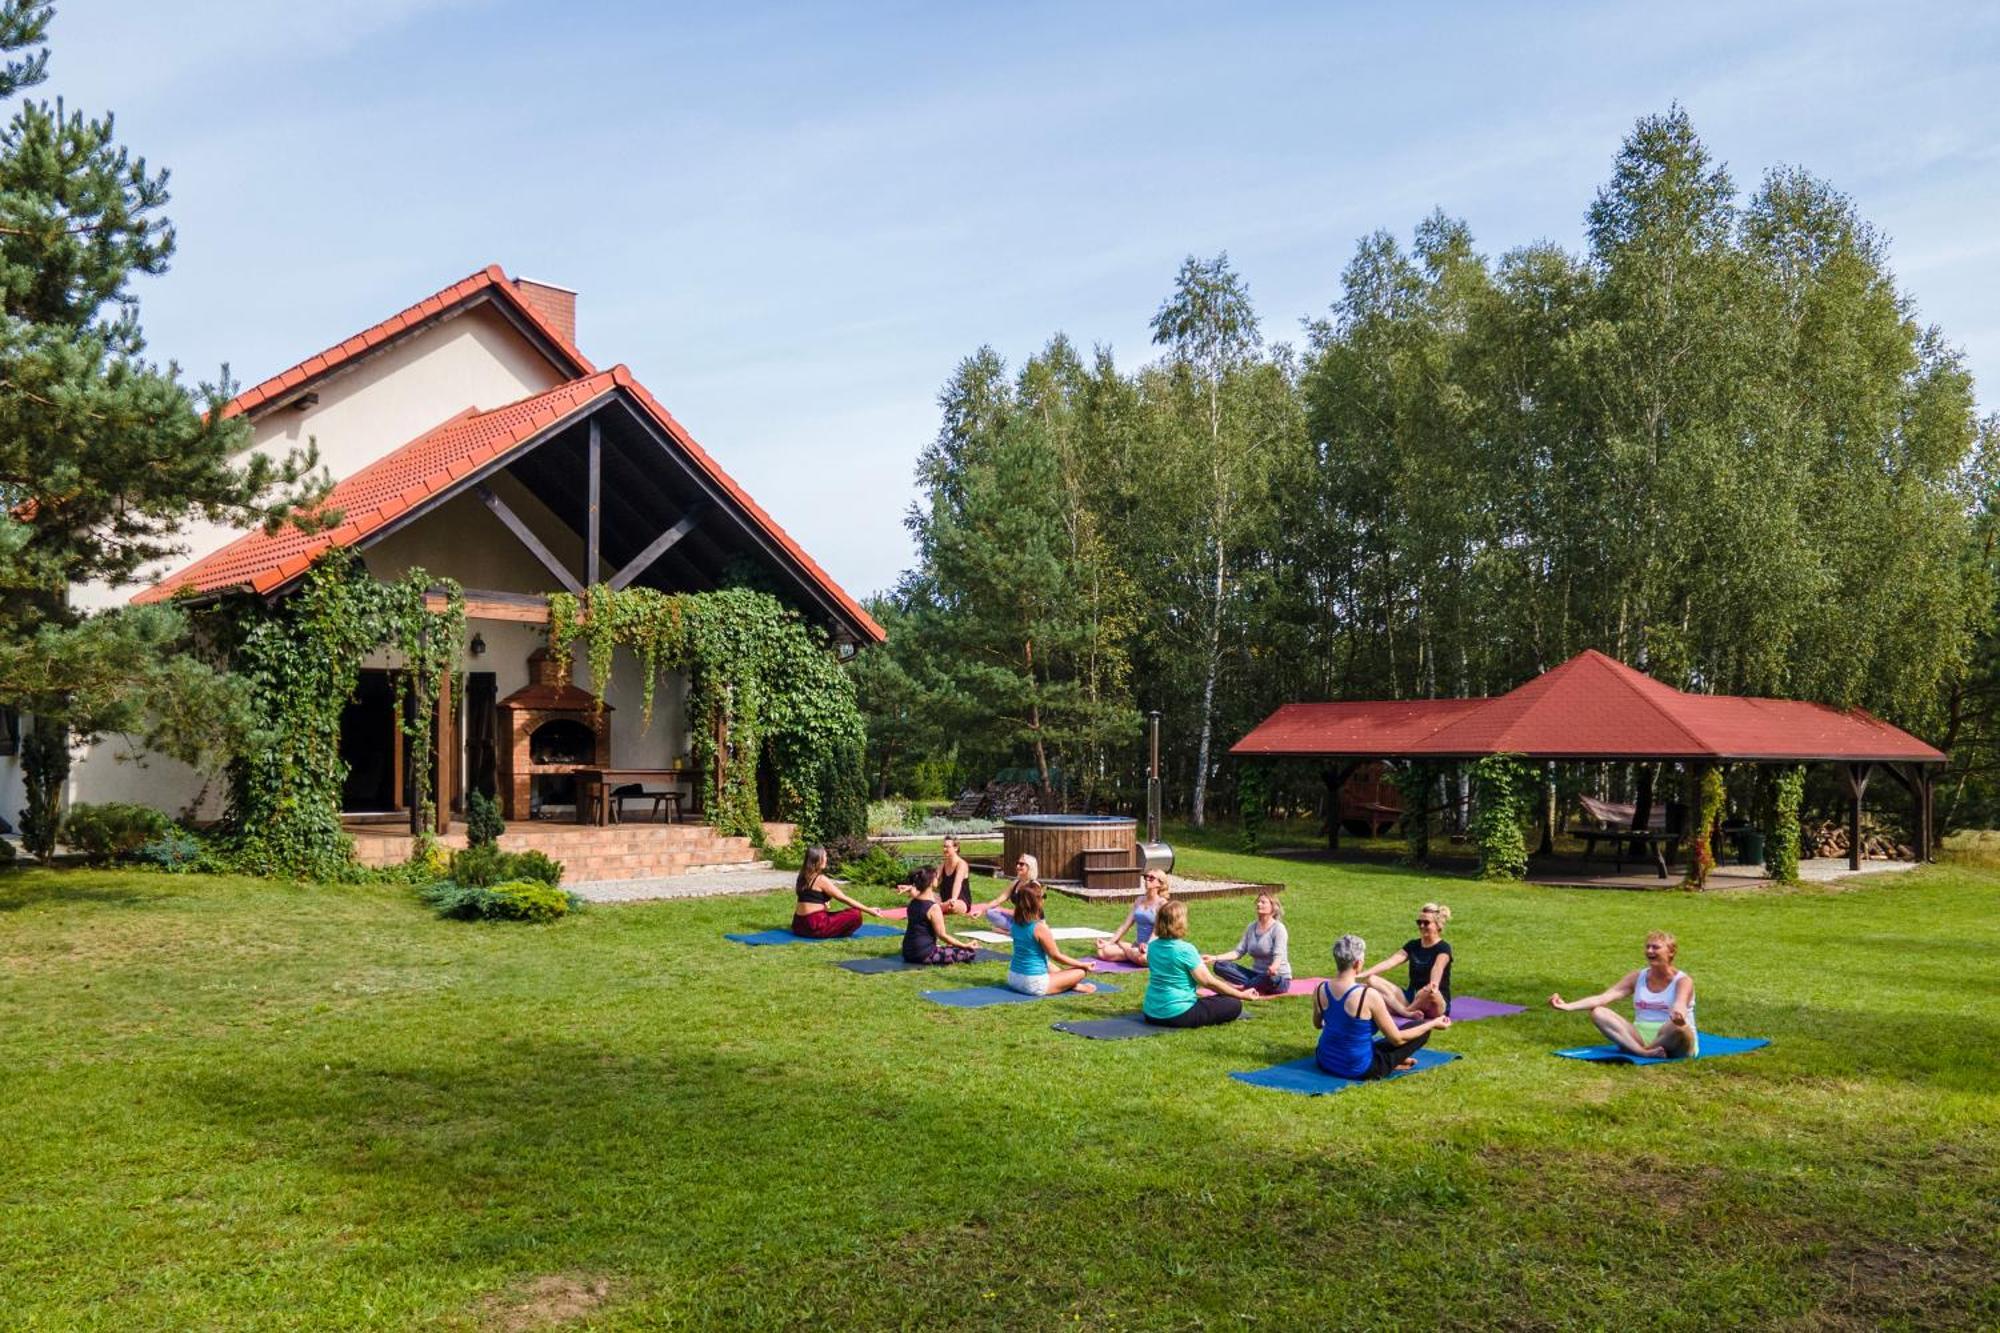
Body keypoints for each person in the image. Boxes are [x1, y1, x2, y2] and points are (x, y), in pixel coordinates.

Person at [1315, 933, 1452, 1079]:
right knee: (1420, 1029)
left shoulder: (1321, 988)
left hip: (1325, 1060)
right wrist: (1432, 1024)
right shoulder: (1367, 995)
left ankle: (1391, 1058)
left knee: (1368, 1041)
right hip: (1357, 1068)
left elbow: (1318, 1024)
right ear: (1357, 964)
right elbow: (1397, 1039)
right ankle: (1393, 1061)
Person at [1548, 930, 1698, 1058]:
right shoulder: (1637, 977)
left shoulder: (1683, 981)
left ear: (1671, 952)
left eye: (1655, 947)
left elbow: (1680, 1004)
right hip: (1639, 1038)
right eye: (1647, 947)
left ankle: (1643, 1051)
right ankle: (1643, 1052)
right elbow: (1604, 997)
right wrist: (1568, 1006)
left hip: (1675, 1040)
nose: (1650, 951)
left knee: (1678, 1026)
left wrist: (1678, 1014)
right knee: (1599, 1012)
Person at [1143, 900, 1270, 1027]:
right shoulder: (1185, 949)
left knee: (1218, 998)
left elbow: (1168, 963)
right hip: (1177, 1014)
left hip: (1151, 1012)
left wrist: (1195, 960)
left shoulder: (1152, 947)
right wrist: (1241, 995)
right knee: (1233, 1003)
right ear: (1179, 923)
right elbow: (1208, 982)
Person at [1359, 902, 1453, 1019]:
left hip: (1434, 1003)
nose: (1422, 926)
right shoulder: (1413, 945)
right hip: (1412, 998)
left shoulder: (1443, 948)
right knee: (1372, 980)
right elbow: (1390, 962)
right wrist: (1363, 974)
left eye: (1426, 923)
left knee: (1429, 991)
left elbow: (1437, 968)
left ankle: (1404, 1012)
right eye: (1419, 922)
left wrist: (1432, 985)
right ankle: (1406, 1011)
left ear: (1438, 925)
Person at [1004, 880, 1098, 996]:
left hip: (1013, 979)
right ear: (1037, 901)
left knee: (1049, 964)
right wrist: (1083, 964)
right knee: (1080, 972)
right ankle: (1072, 984)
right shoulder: (1039, 928)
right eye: (1043, 896)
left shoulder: (1015, 924)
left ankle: (1069, 984)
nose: (1044, 899)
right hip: (1032, 984)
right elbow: (1056, 956)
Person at [790, 845, 889, 938]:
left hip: (798, 925)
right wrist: (869, 910)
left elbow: (809, 899)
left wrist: (824, 905)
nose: (826, 859)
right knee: (855, 914)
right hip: (815, 926)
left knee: (836, 915)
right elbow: (844, 898)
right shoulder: (821, 879)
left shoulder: (802, 877)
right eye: (824, 856)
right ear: (817, 859)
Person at [1204, 892, 1292, 994]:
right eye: (1258, 902)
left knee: (1269, 978)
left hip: (1276, 978)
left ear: (1273, 907)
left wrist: (1274, 967)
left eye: (1263, 902)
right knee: (1220, 965)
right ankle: (1252, 985)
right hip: (1255, 975)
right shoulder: (1251, 927)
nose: (1259, 904)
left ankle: (1244, 987)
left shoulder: (1278, 928)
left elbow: (1279, 954)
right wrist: (1214, 958)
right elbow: (1238, 952)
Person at [900, 866, 981, 966]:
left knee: (947, 948)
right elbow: (942, 935)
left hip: (907, 952)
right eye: (935, 877)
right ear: (930, 882)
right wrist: (964, 945)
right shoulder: (933, 908)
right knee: (968, 953)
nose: (937, 879)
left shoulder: (913, 902)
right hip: (924, 954)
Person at [1096, 870, 1171, 964]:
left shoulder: (1162, 903)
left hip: (1152, 947)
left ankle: (1123, 946)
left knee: (1142, 958)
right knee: (1102, 951)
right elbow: (1125, 925)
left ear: (1159, 883)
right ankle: (1131, 952)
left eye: (1151, 878)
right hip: (1137, 946)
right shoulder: (1139, 900)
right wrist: (1109, 942)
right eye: (1146, 877)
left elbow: (1156, 932)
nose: (1147, 879)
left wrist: (1147, 946)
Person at [970, 852, 1037, 930]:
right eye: (1017, 863)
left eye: (1021, 864)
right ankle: (1013, 929)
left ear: (1030, 867)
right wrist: (982, 910)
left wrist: (1003, 910)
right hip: (1017, 918)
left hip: (1029, 920)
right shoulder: (1016, 883)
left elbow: (1029, 913)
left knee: (999, 912)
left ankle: (1011, 930)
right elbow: (998, 900)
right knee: (990, 912)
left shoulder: (1034, 886)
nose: (1018, 866)